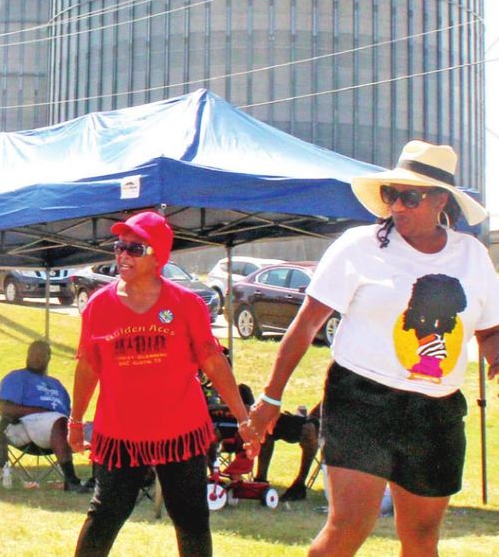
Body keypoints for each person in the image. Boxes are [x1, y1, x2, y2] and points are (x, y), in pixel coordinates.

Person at [248, 140, 499, 556]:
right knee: (348, 527)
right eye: (390, 195)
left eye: (410, 196)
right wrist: (271, 397)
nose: (397, 207)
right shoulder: (359, 246)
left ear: (441, 201)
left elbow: (489, 331)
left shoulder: (471, 255)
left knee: (421, 538)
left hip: (436, 411)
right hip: (361, 400)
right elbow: (306, 324)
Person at [68, 212, 257, 557]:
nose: (122, 255)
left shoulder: (186, 304)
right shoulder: (98, 306)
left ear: (158, 256)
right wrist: (75, 420)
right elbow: (88, 368)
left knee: (191, 519)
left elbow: (213, 362)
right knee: (105, 514)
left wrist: (243, 418)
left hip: (179, 431)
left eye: (133, 248)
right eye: (118, 246)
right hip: (121, 433)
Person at [0, 339, 88, 493]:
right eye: (32, 354)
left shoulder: (56, 384)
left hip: (58, 427)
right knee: (58, 421)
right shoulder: (17, 377)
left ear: (48, 358)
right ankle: (71, 481)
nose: (35, 358)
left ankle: (98, 481)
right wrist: (41, 412)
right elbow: (6, 408)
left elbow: (67, 412)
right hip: (24, 426)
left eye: (40, 354)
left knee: (99, 429)